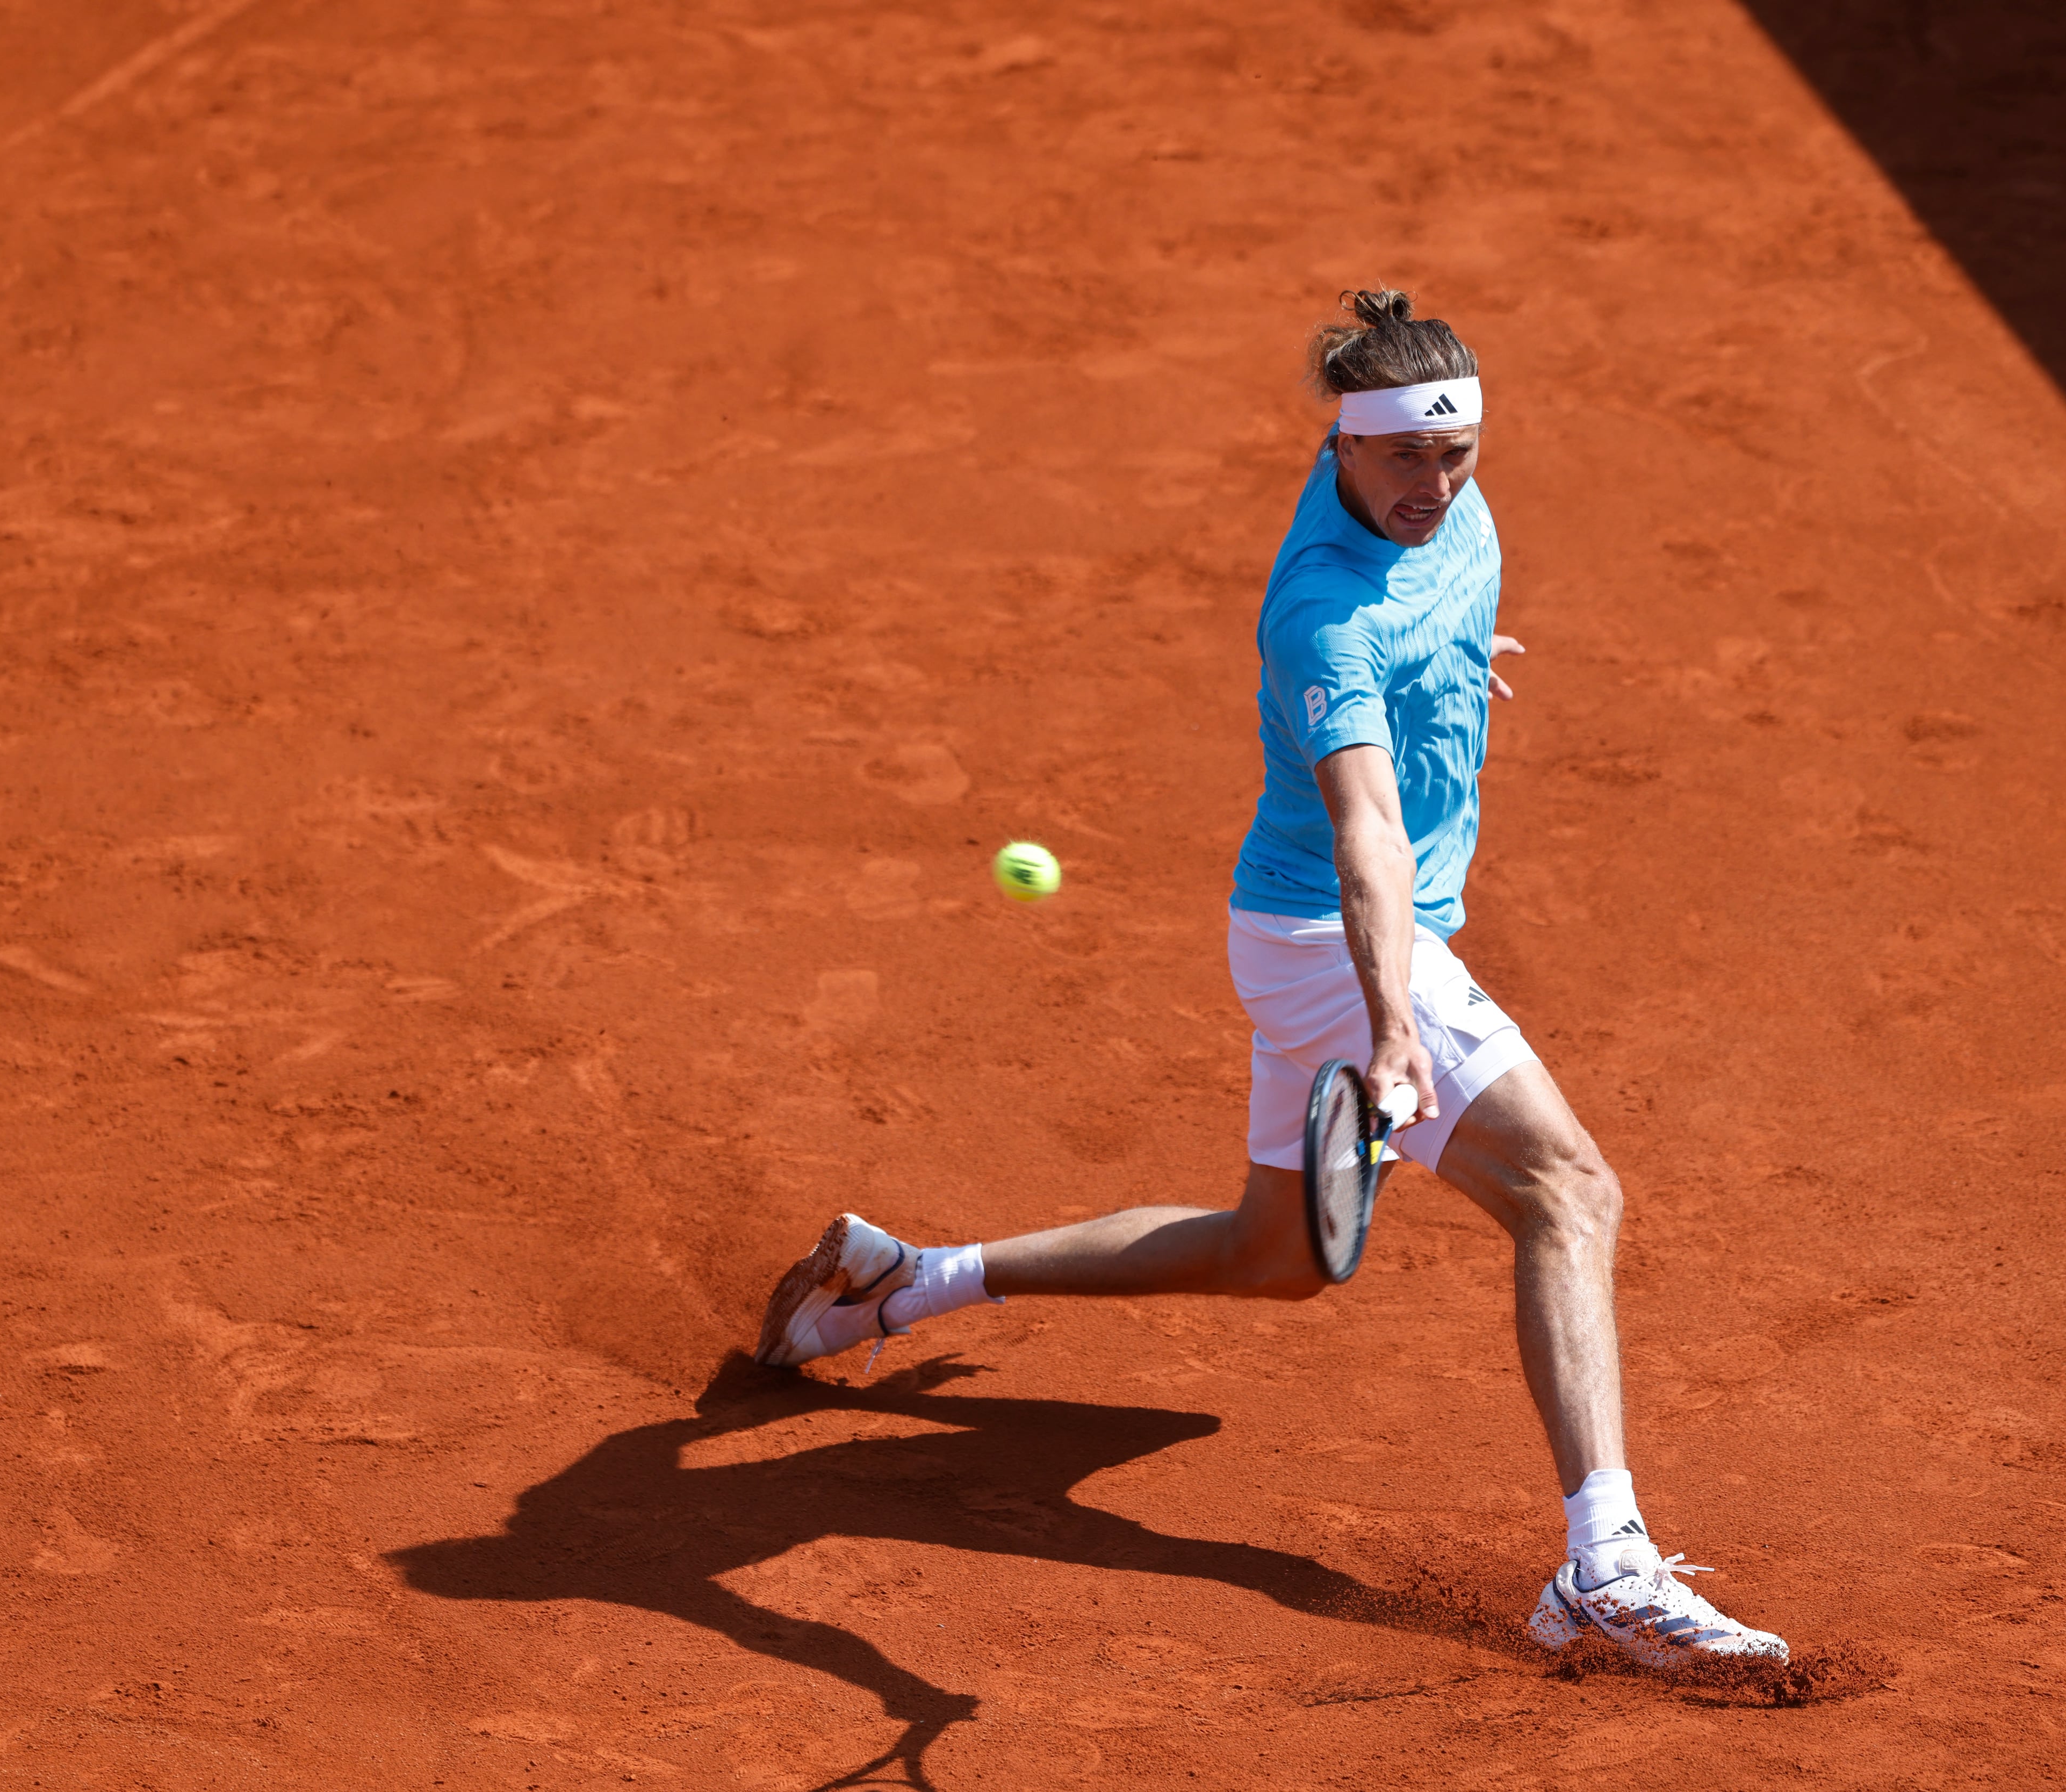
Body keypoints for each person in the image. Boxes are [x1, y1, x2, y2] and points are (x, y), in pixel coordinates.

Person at [752, 290, 1787, 1669]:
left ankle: (900, 1284)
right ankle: (1604, 1566)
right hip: (1332, 946)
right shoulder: (1319, 616)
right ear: (1343, 453)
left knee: (1274, 1257)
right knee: (1569, 1189)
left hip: (1314, 937)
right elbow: (1364, 835)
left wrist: (1459, 672)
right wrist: (1391, 1030)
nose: (1436, 485)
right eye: (1406, 460)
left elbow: (1434, 601)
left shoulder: (1433, 508)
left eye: (1459, 453)